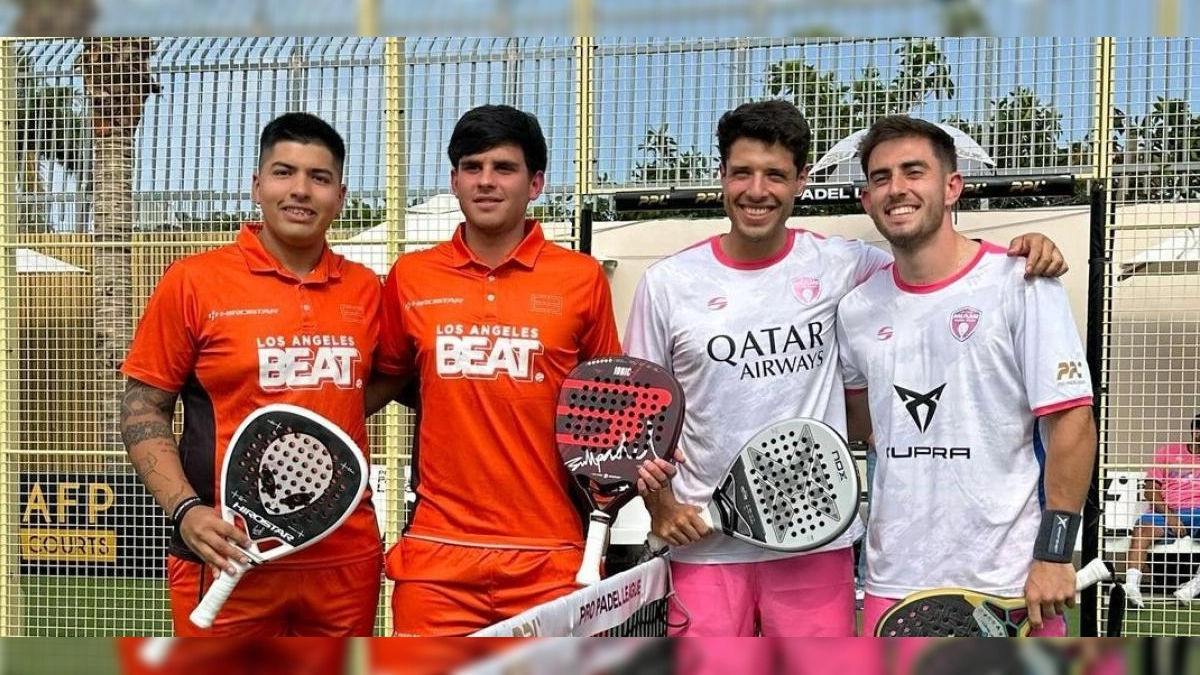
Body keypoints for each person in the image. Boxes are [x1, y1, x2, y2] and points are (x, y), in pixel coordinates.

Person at [628, 100, 1069, 647]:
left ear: (801, 182)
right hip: (705, 550)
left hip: (817, 547)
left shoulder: (847, 266)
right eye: (742, 173)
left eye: (775, 175)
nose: (757, 190)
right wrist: (661, 506)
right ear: (721, 177)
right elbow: (642, 420)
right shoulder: (667, 283)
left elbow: (940, 264)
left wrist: (1023, 252)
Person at [119, 112, 383, 638]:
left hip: (344, 558)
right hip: (224, 552)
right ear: (256, 186)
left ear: (341, 194)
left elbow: (387, 378)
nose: (301, 191)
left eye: (320, 177)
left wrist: (328, 413)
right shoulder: (194, 281)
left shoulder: (366, 289)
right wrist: (186, 511)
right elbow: (142, 408)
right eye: (284, 172)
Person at [836, 114, 1097, 636]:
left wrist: (1054, 553)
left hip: (1011, 582)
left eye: (914, 172)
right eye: (881, 177)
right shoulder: (857, 309)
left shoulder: (1021, 279)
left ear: (952, 186)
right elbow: (860, 424)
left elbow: (1073, 423)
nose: (897, 189)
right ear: (867, 199)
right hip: (893, 580)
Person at [367, 104, 622, 636]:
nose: (486, 181)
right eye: (472, 166)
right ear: (454, 180)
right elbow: (388, 379)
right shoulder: (411, 277)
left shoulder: (581, 278)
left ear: (535, 184)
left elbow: (609, 408)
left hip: (551, 558)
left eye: (503, 168)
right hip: (438, 557)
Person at [1123, 412, 1200, 607]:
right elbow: (1150, 489)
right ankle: (1131, 587)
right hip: (1167, 512)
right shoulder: (1169, 452)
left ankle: (1194, 587)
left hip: (1198, 512)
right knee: (1142, 531)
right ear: (1193, 431)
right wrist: (1170, 516)